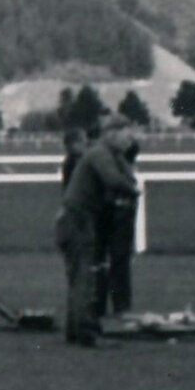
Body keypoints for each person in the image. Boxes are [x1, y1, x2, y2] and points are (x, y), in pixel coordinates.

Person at [57, 114, 141, 347]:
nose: (130, 141)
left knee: (79, 276)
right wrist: (133, 190)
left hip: (73, 220)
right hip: (78, 219)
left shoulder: (106, 154)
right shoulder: (100, 154)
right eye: (126, 135)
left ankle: (75, 330)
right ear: (111, 134)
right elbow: (115, 180)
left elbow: (124, 175)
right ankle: (87, 332)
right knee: (85, 277)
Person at [99, 135, 142, 316]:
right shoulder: (124, 168)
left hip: (116, 214)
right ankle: (121, 304)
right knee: (119, 262)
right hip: (122, 214)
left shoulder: (116, 165)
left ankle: (109, 304)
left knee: (113, 261)